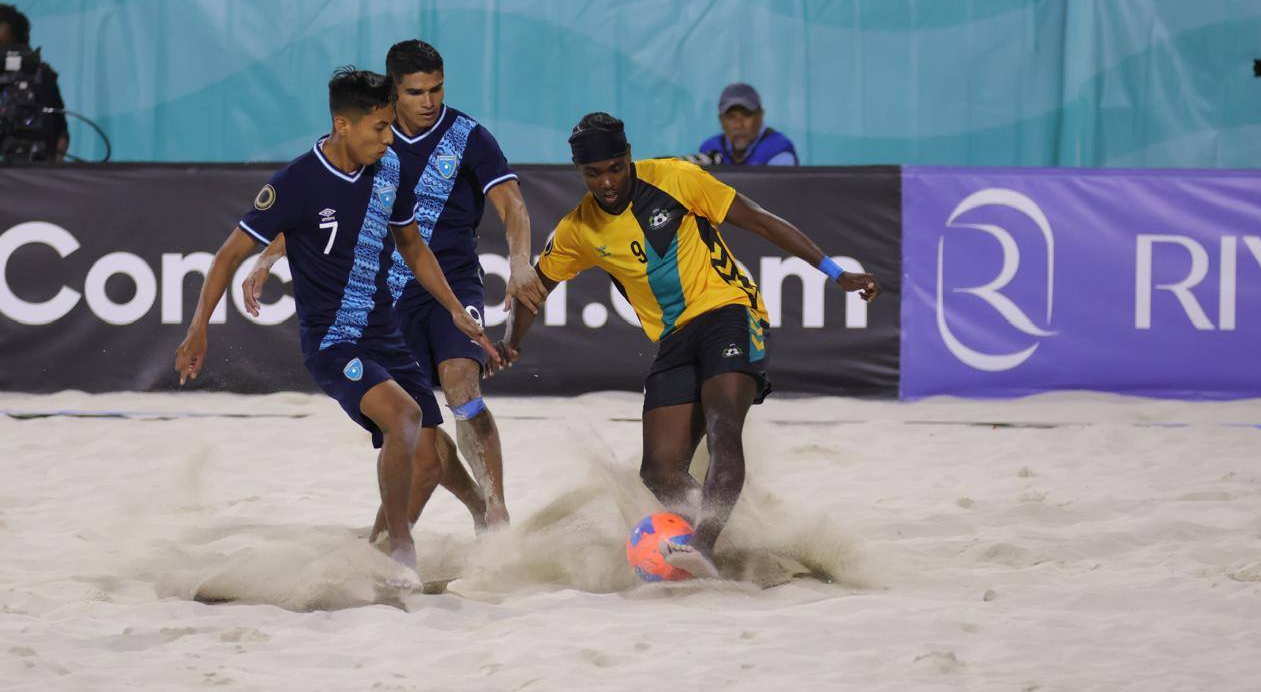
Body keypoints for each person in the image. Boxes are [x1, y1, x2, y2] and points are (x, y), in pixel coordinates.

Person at [500, 113, 879, 578]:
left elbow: (760, 221)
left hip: (729, 312)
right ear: (579, 171)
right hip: (674, 340)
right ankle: (730, 537)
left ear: (628, 156)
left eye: (616, 168)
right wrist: (510, 343)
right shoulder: (579, 229)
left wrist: (836, 272)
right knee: (659, 470)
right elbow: (536, 288)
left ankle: (703, 542)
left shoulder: (676, 179)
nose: (607, 182)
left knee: (723, 428)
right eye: (593, 173)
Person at [174, 67, 496, 588]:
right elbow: (229, 254)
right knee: (404, 416)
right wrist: (199, 328)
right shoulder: (296, 182)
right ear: (343, 125)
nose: (389, 138)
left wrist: (455, 308)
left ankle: (375, 555)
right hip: (333, 341)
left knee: (431, 461)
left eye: (390, 126)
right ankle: (401, 549)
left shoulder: (389, 167)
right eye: (380, 127)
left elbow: (413, 246)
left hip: (386, 335)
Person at [244, 39, 545, 532]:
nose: (429, 101)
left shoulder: (469, 137)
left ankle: (497, 512)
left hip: (451, 282)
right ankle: (470, 509)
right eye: (415, 92)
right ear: (393, 91)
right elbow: (314, 207)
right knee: (419, 428)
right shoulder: (368, 139)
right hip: (386, 298)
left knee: (461, 384)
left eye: (437, 89)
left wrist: (518, 260)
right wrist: (268, 257)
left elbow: (512, 204)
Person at [0, 3, 68, 161]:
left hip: (37, 166)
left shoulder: (40, 73)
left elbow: (61, 130)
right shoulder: (40, 71)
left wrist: (55, 161)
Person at [697, 83, 797, 166]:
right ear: (721, 120)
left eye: (747, 115)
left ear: (760, 115)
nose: (738, 125)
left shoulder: (778, 149)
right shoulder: (709, 148)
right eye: (731, 117)